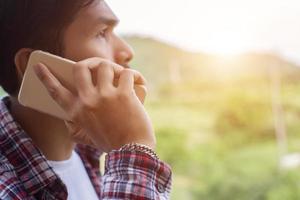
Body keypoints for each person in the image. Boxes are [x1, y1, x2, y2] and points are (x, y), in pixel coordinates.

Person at [0, 0, 172, 199]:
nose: (127, 51)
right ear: (35, 68)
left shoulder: (87, 153)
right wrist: (134, 149)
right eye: (102, 33)